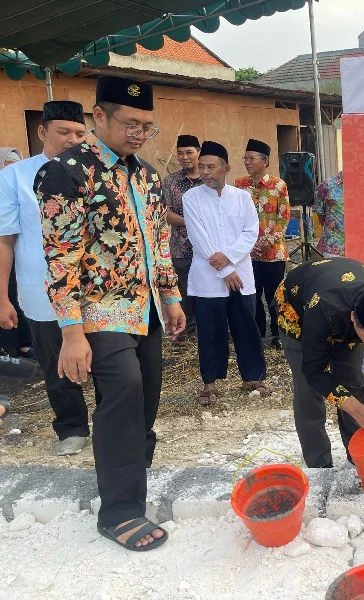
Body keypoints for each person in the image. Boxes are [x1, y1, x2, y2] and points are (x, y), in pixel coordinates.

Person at [34, 76, 185, 551]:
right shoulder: (67, 172)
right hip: (98, 311)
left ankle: (130, 480)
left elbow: (159, 242)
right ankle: (118, 511)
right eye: (130, 124)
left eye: (147, 126)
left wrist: (172, 295)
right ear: (98, 117)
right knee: (123, 393)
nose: (139, 133)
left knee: (147, 399)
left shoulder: (145, 175)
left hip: (146, 309)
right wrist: (71, 333)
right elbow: (61, 258)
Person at [0, 100, 92, 456]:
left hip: (96, 291)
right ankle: (71, 426)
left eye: (80, 133)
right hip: (42, 291)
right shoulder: (15, 177)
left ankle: (113, 425)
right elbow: (5, 239)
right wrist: (3, 297)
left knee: (110, 361)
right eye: (64, 132)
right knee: (58, 363)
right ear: (42, 132)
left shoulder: (96, 172)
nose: (73, 139)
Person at [275, 257, 364, 468]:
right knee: (308, 392)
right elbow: (314, 371)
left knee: (352, 381)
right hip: (299, 310)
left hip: (342, 315)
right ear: (354, 318)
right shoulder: (324, 306)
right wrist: (357, 409)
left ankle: (357, 457)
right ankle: (319, 464)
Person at [183, 141, 267, 406]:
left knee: (246, 326)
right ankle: (210, 383)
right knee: (210, 331)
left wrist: (229, 260)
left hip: (241, 276)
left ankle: (252, 377)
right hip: (208, 279)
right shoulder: (191, 198)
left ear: (226, 168)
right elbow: (198, 237)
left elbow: (251, 232)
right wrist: (225, 269)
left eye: (211, 166)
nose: (205, 172)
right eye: (202, 166)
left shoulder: (242, 198)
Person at [234, 139, 290, 349]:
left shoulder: (278, 185)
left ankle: (278, 334)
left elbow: (283, 218)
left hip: (273, 253)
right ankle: (255, 332)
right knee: (252, 294)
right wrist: (247, 245)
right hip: (247, 254)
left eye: (252, 158)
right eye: (245, 158)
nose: (247, 162)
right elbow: (236, 217)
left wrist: (267, 242)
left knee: (275, 295)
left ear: (265, 161)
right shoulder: (239, 185)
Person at [162, 134, 203, 342]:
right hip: (180, 246)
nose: (184, 157)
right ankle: (184, 331)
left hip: (207, 248)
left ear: (198, 153)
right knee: (183, 291)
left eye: (189, 152)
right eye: (180, 153)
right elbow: (164, 212)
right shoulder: (171, 181)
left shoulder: (210, 179)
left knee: (206, 289)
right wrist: (191, 222)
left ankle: (205, 329)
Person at [0, 146, 34, 360]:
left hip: (17, 253)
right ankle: (9, 348)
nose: (10, 171)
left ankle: (24, 343)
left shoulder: (22, 187)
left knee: (18, 298)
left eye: (14, 165)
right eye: (6, 166)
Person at [314, 171, 344, 257]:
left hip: (360, 245)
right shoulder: (327, 185)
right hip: (333, 246)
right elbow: (320, 212)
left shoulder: (362, 185)